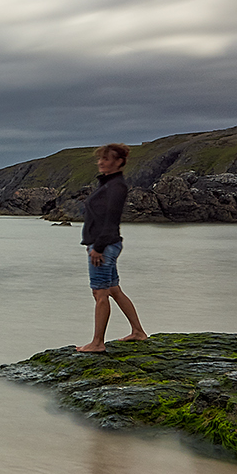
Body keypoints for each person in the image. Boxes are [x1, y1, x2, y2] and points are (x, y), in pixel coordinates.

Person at [77, 143, 147, 352]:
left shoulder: (116, 187)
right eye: (100, 159)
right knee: (113, 289)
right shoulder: (108, 184)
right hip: (106, 244)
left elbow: (110, 221)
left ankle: (97, 343)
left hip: (104, 246)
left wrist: (97, 247)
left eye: (106, 159)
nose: (101, 162)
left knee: (100, 294)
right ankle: (138, 332)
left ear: (119, 162)